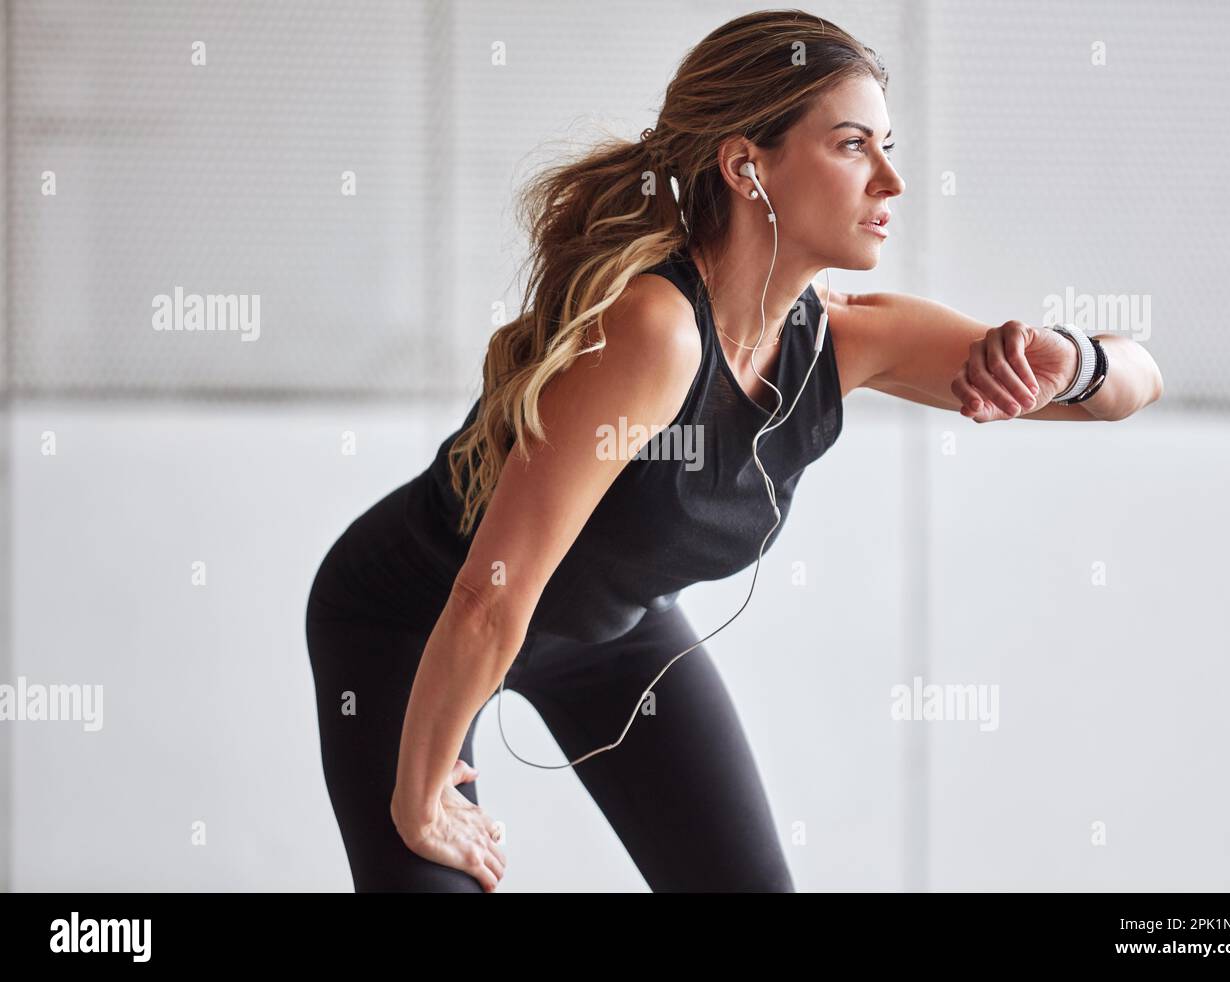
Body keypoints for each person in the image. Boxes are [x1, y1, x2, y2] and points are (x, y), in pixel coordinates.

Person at [303, 9, 1164, 894]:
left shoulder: (847, 339)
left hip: (615, 638)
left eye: (889, 146)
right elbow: (490, 599)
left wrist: (1073, 362)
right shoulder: (656, 329)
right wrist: (416, 802)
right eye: (853, 146)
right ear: (748, 165)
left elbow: (1133, 388)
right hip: (417, 619)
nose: (893, 180)